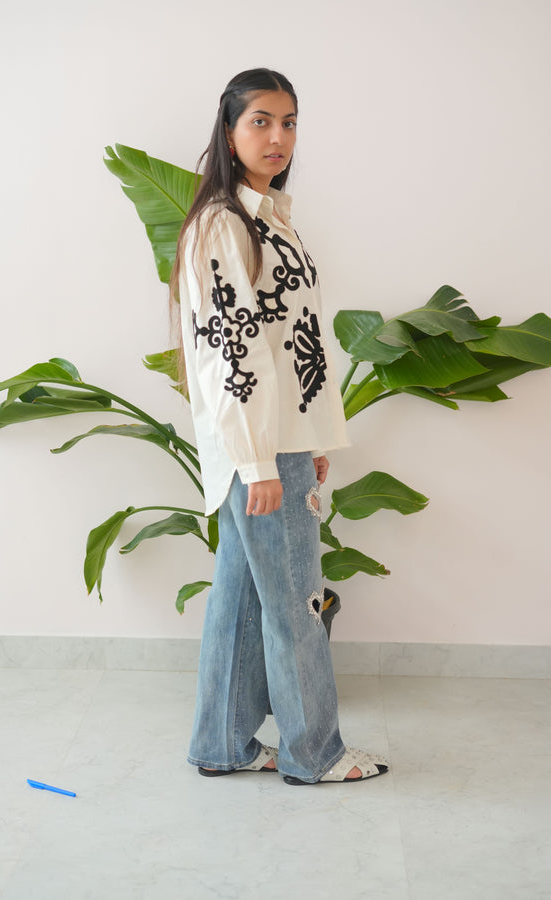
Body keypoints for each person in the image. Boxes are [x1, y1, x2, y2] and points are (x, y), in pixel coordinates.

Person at [171, 68, 389, 785]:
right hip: (258, 450)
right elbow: (229, 352)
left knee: (241, 600)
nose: (277, 136)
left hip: (278, 443)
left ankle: (222, 743)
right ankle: (311, 753)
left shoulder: (270, 217)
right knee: (296, 598)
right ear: (229, 133)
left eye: (289, 122)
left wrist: (309, 439)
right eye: (260, 121)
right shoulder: (223, 224)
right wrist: (261, 460)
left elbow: (292, 340)